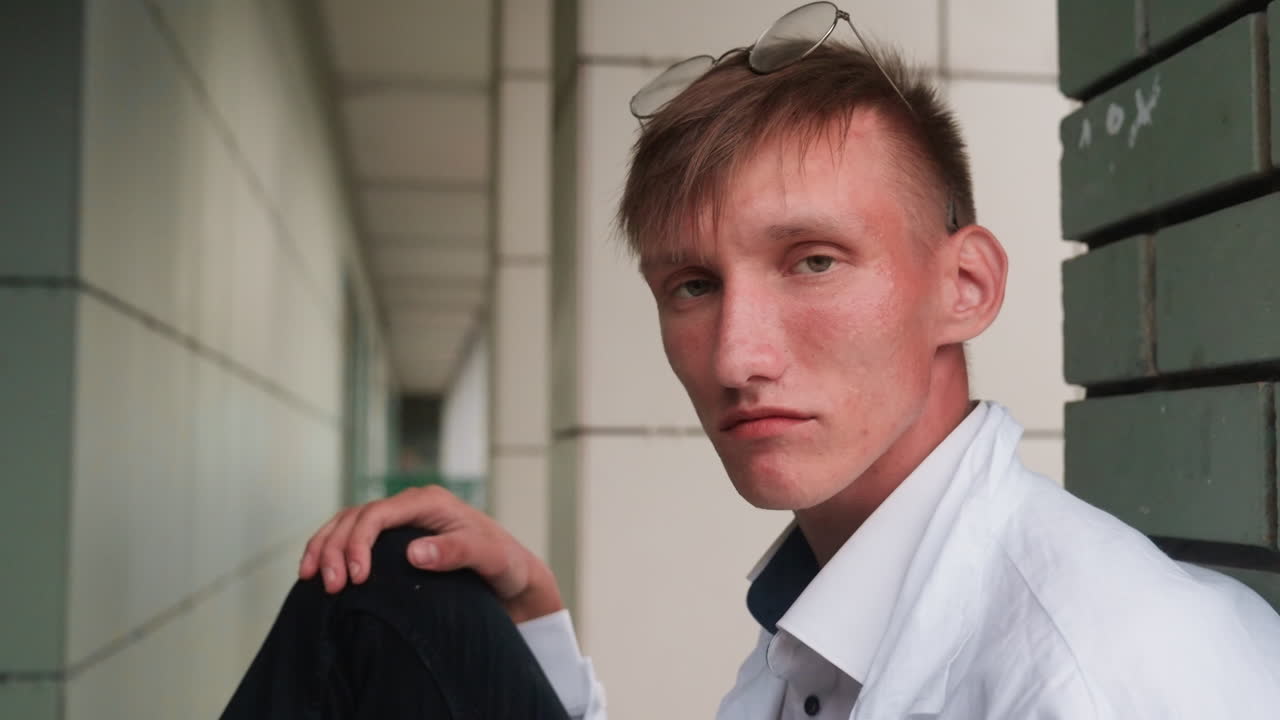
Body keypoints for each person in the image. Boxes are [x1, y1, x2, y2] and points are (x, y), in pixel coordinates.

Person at [223, 6, 1280, 719]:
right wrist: (535, 629)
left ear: (964, 288)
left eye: (811, 262)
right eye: (691, 285)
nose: (736, 355)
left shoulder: (1097, 676)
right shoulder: (846, 585)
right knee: (394, 590)